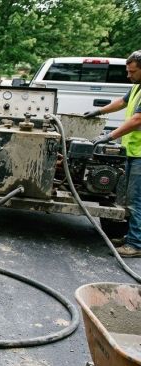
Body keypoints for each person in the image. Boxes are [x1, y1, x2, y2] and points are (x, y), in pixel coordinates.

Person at [84, 51, 141, 257]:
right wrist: (98, 112)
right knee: (127, 198)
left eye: (132, 71)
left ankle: (136, 244)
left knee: (136, 200)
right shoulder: (137, 88)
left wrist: (110, 136)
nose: (128, 75)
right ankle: (134, 236)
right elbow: (122, 102)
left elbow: (137, 120)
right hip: (133, 152)